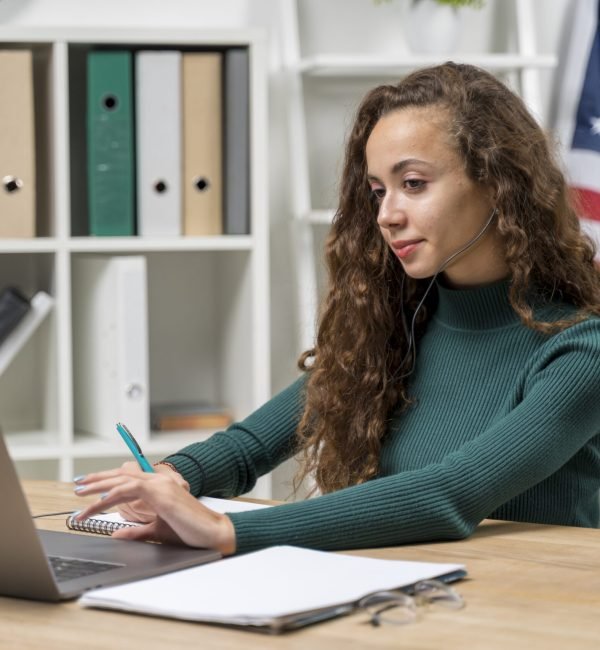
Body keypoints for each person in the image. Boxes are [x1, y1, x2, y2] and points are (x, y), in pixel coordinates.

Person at [74, 62, 600, 556]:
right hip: (411, 600)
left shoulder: (580, 351)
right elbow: (249, 447)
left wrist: (224, 529)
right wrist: (169, 478)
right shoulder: (397, 328)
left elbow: (451, 493)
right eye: (378, 191)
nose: (387, 215)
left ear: (497, 182)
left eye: (413, 184)